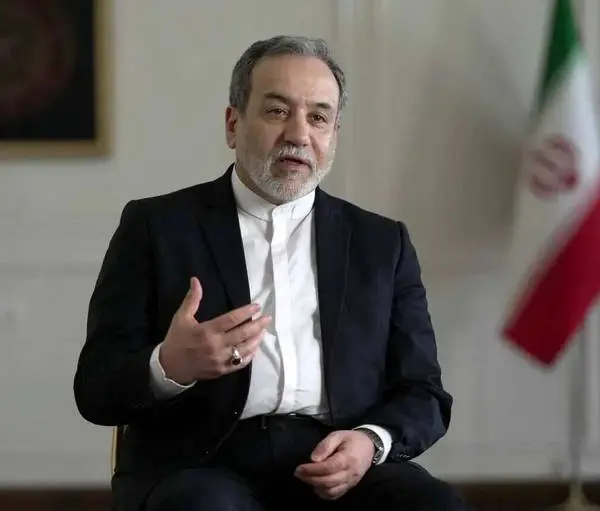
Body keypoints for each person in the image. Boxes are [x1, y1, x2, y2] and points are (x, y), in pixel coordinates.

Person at [74, 35, 469, 511]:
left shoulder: (382, 243)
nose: (298, 135)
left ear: (334, 133)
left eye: (318, 117)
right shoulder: (155, 227)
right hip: (201, 465)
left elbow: (423, 392)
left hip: (340, 460)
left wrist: (370, 441)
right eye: (278, 111)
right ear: (233, 124)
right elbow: (96, 388)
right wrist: (170, 366)